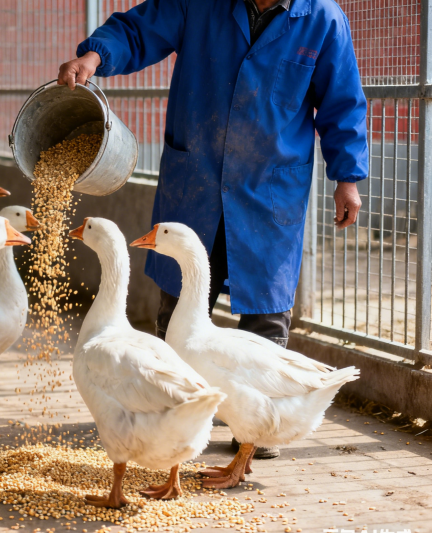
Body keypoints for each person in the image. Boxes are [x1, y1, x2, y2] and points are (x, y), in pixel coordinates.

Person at [58, 0, 368, 459]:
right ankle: (173, 418)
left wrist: (348, 178)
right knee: (180, 304)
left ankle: (256, 432)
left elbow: (342, 101)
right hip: (197, 177)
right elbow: (140, 29)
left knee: (266, 310)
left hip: (268, 187)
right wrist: (94, 56)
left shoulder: (322, 19)